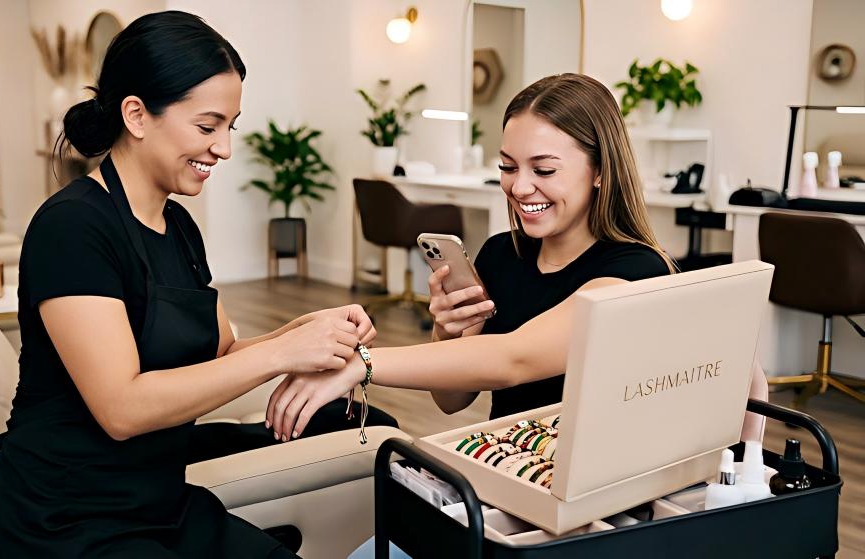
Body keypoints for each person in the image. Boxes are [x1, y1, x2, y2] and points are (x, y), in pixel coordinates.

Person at [0, 11, 388, 557]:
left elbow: (222, 353)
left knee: (361, 424)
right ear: (137, 115)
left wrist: (312, 333)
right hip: (66, 515)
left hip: (158, 497)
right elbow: (121, 408)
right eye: (207, 126)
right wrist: (284, 351)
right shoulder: (72, 227)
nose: (224, 149)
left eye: (230, 127)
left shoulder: (179, 226)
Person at [266, 73, 768, 443]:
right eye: (508, 166)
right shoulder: (500, 255)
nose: (520, 186)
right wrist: (450, 333)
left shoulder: (634, 273)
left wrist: (362, 364)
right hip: (505, 464)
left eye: (544, 169)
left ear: (599, 171)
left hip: (582, 495)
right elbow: (452, 400)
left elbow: (513, 360)